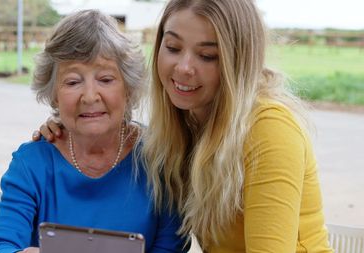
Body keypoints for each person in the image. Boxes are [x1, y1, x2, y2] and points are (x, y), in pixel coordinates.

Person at [36, 0, 333, 252]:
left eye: (207, 56)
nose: (183, 68)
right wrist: (69, 130)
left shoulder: (269, 130)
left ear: (238, 62)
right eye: (173, 47)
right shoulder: (186, 125)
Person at [0, 10, 187, 253]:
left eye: (106, 79)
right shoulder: (32, 163)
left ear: (128, 89)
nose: (89, 96)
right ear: (54, 95)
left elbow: (171, 248)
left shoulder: (161, 160)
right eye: (73, 82)